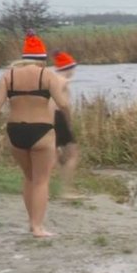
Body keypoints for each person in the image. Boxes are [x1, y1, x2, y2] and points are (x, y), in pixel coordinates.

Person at [0, 31, 70, 237]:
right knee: (41, 180)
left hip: (15, 131)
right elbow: (62, 104)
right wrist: (66, 104)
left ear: (24, 58)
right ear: (42, 59)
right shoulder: (48, 76)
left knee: (28, 178)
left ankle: (31, 222)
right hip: (41, 131)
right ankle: (38, 227)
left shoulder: (8, 76)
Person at [51, 51, 81, 198]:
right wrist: (69, 122)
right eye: (73, 68)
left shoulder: (50, 79)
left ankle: (47, 188)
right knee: (73, 154)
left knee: (55, 154)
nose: (74, 71)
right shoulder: (63, 81)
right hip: (59, 118)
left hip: (48, 118)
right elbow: (64, 105)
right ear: (68, 68)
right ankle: (66, 190)